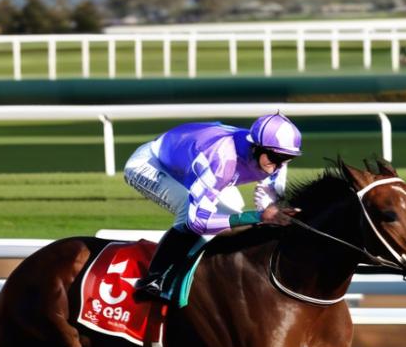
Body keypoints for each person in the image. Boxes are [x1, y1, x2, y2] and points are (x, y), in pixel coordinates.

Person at [123, 112, 303, 301]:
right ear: (255, 148)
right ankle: (155, 278)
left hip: (191, 167)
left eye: (287, 158)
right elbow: (197, 222)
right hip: (150, 164)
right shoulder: (221, 160)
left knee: (234, 209)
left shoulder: (275, 157)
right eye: (275, 157)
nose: (279, 165)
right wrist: (257, 217)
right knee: (189, 213)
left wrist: (273, 216)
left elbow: (268, 199)